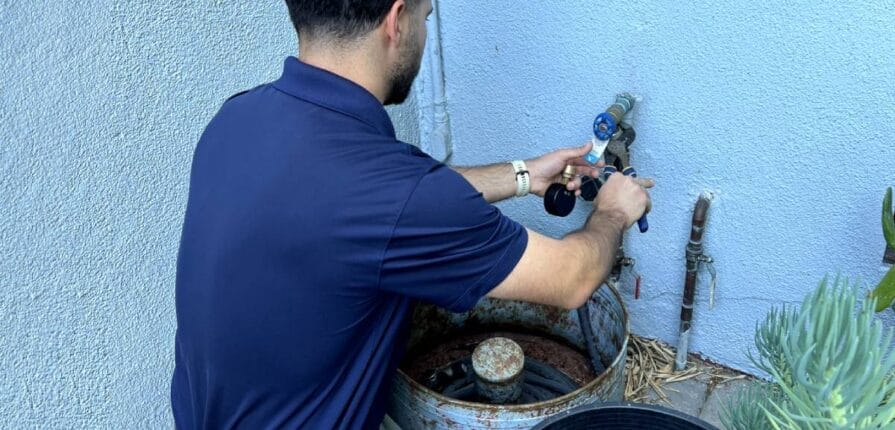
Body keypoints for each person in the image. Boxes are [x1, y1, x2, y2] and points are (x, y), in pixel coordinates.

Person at [171, 0, 653, 428]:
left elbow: (387, 206)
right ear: (396, 21)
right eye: (425, 17)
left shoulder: (235, 119)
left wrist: (525, 174)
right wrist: (613, 210)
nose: (424, 32)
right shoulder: (394, 196)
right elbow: (572, 279)